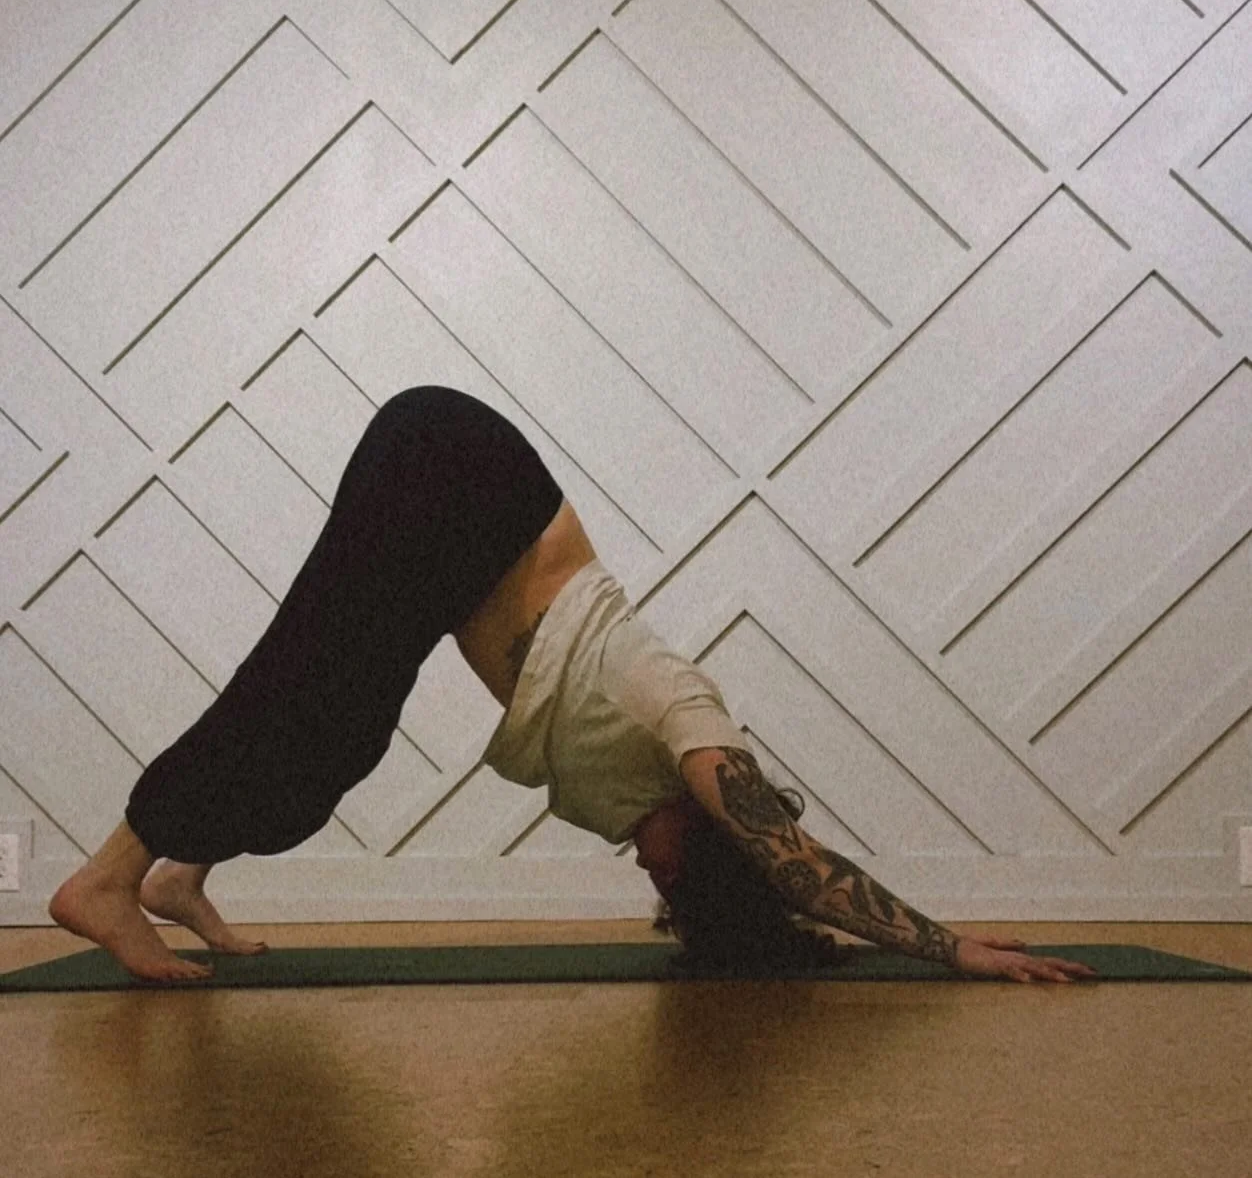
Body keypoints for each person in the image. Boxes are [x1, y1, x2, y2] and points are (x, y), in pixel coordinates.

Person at [49, 386, 1097, 988]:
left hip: (461, 524)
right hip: (457, 474)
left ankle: (178, 877)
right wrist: (954, 947)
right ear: (712, 833)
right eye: (674, 875)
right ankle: (107, 881)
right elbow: (794, 861)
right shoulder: (683, 714)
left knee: (340, 729)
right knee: (303, 683)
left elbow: (768, 886)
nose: (649, 874)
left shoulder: (645, 803)